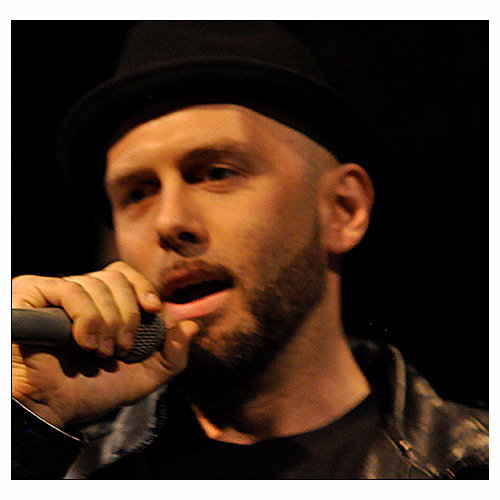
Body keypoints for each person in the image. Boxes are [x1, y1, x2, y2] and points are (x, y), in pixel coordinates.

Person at [12, 21, 488, 480]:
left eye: (217, 173)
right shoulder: (66, 466)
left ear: (343, 210)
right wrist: (28, 423)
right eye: (138, 193)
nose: (169, 222)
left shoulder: (473, 469)